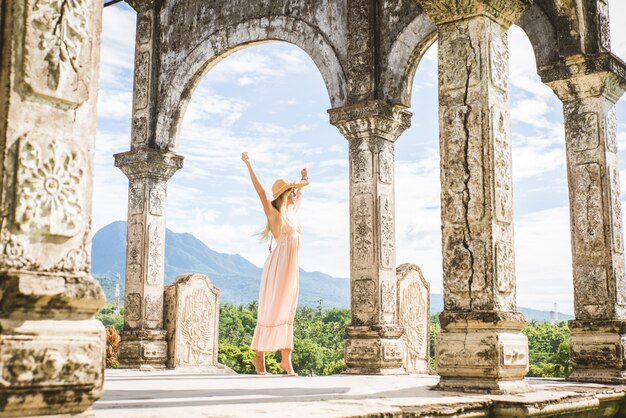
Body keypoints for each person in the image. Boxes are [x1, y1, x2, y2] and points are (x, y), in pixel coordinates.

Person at [241, 152, 309, 376]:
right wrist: (249, 164)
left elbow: (300, 198)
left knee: (288, 311)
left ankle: (285, 361)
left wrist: (304, 181)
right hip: (278, 268)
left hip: (292, 270)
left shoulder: (292, 214)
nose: (294, 195)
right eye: (291, 192)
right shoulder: (274, 214)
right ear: (283, 195)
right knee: (272, 309)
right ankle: (259, 357)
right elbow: (260, 191)